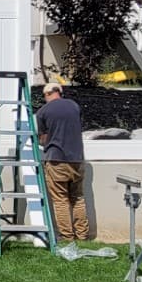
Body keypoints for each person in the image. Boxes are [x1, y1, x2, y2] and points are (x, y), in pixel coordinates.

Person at [35, 81, 88, 244]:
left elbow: (43, 139)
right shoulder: (74, 106)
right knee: (78, 197)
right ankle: (82, 235)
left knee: (60, 199)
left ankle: (67, 236)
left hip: (56, 159)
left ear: (47, 94)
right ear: (60, 91)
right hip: (77, 159)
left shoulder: (43, 112)